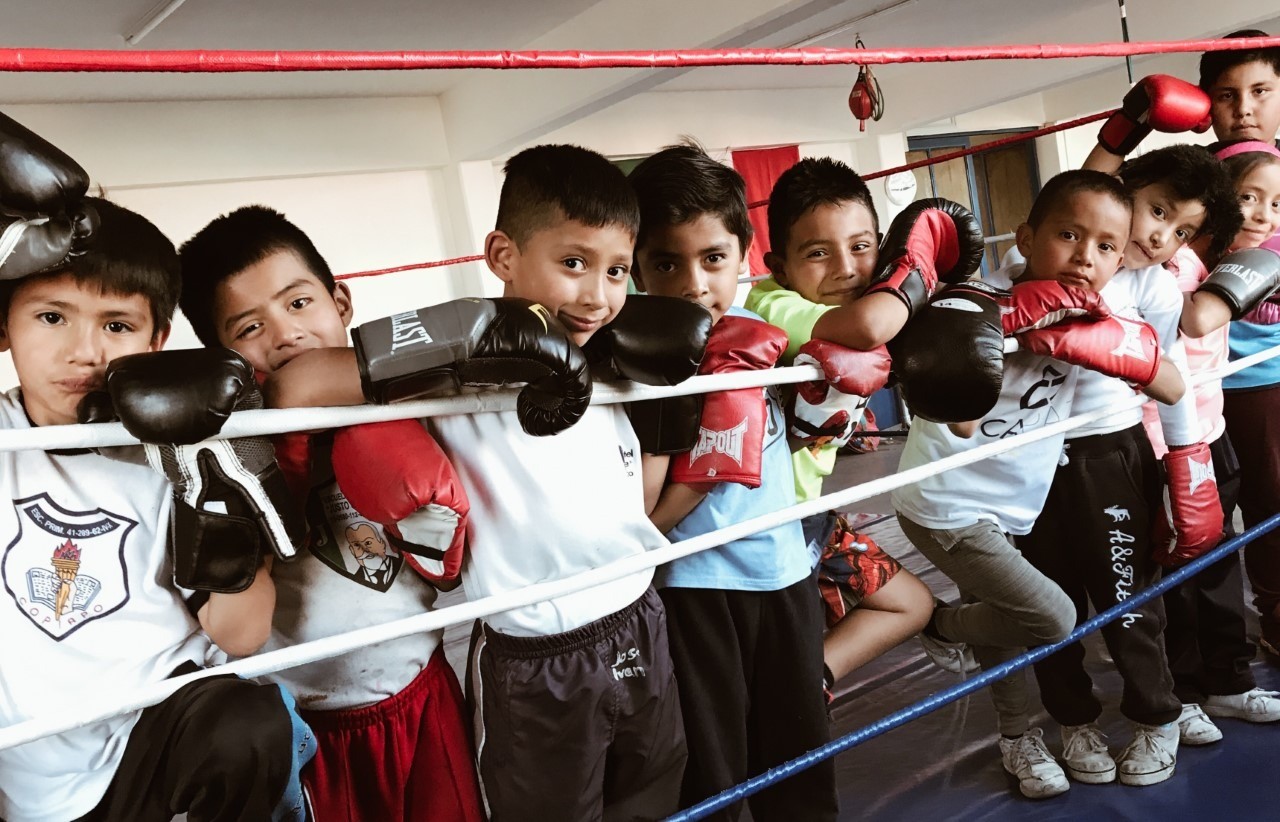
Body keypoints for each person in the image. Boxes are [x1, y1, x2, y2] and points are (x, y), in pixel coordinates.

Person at [265, 144, 705, 821]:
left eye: (617, 270)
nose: (597, 295)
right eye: (573, 263)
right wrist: (471, 341)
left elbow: (635, 504)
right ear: (503, 256)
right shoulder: (449, 367)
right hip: (537, 653)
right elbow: (297, 386)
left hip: (639, 617)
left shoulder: (615, 360)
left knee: (653, 792)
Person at [0, 112, 313, 822]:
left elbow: (243, 634)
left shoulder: (178, 450)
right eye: (51, 318)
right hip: (23, 773)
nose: (85, 352)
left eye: (117, 326)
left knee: (252, 720)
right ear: (5, 324)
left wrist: (221, 519)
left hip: (148, 750)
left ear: (157, 339)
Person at [177, 205, 485, 821]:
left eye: (298, 304)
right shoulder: (235, 450)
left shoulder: (398, 404)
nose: (286, 335)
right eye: (248, 328)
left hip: (421, 692)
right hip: (306, 725)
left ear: (340, 302)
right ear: (221, 355)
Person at [895, 169, 1185, 799]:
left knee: (1008, 612)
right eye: (1068, 235)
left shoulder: (1097, 314)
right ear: (1026, 237)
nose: (1086, 256)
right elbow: (962, 421)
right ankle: (943, 628)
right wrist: (1003, 327)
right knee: (1052, 617)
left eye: (1107, 246)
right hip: (949, 505)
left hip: (1014, 505)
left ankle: (1016, 736)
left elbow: (1171, 387)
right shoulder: (976, 300)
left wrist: (1095, 345)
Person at [625, 143, 835, 820]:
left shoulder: (767, 332)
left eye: (713, 258)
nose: (693, 283)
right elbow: (646, 512)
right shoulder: (634, 368)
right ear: (636, 269)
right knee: (711, 773)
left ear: (745, 252)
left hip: (782, 572)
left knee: (801, 757)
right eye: (666, 262)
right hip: (693, 589)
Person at [742, 157, 934, 694]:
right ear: (779, 266)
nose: (846, 268)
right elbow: (869, 325)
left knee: (910, 604)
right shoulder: (774, 305)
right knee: (778, 640)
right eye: (818, 252)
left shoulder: (872, 300)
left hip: (811, 515)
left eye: (861, 246)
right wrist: (916, 272)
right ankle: (787, 696)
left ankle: (809, 682)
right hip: (763, 528)